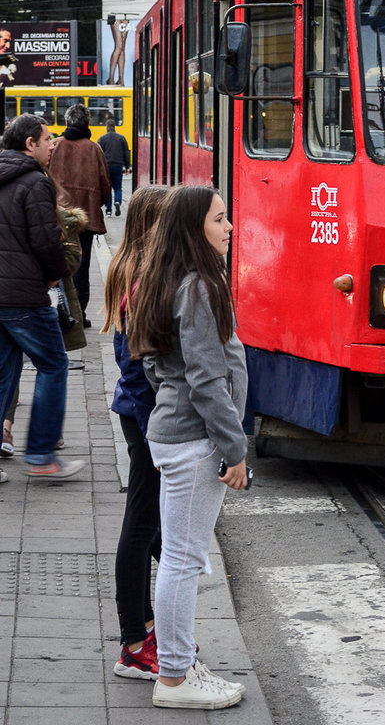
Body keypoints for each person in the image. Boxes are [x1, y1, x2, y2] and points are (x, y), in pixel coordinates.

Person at [127, 186, 249, 711]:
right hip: (195, 440)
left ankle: (177, 665)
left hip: (174, 433)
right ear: (195, 227)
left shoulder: (167, 278)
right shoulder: (197, 287)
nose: (229, 228)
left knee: (179, 557)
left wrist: (174, 398)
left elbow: (155, 364)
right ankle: (175, 677)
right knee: (182, 560)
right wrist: (235, 447)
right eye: (220, 220)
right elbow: (206, 380)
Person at [102, 185, 172, 681]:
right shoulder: (145, 278)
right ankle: (135, 641)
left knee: (151, 523)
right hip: (145, 413)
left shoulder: (132, 267)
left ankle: (156, 625)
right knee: (141, 524)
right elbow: (143, 367)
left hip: (136, 411)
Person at [0, 113, 84, 480]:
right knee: (53, 364)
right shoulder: (35, 182)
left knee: (3, 371)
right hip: (23, 295)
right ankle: (41, 454)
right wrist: (53, 276)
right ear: (29, 144)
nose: (53, 145)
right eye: (47, 139)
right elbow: (48, 241)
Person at [49, 102, 111, 328]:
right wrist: (93, 205)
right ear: (87, 123)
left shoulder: (54, 146)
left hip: (56, 218)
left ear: (66, 122)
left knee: (56, 265)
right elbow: (105, 186)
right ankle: (80, 315)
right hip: (84, 221)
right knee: (81, 268)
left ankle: (59, 314)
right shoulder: (94, 149)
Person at [98, 120, 131, 216]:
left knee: (107, 188)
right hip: (118, 165)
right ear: (115, 127)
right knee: (117, 187)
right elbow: (126, 153)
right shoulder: (121, 138)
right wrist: (127, 166)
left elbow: (98, 154)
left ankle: (108, 210)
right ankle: (117, 201)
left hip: (106, 166)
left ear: (106, 127)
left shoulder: (102, 139)